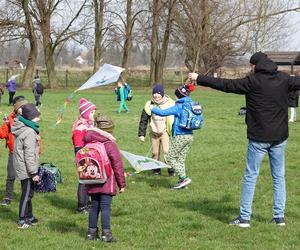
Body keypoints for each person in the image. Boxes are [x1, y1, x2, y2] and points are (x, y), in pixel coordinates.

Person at [188, 51, 300, 227]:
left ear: (255, 66)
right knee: (279, 177)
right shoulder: (284, 79)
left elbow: (225, 85)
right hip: (279, 137)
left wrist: (199, 78)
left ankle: (245, 218)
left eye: (251, 66)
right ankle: (279, 217)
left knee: (251, 176)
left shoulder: (252, 81)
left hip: (258, 139)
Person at [84, 114, 126, 242]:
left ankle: (91, 233)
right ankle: (106, 235)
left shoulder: (88, 141)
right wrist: (122, 184)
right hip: (106, 181)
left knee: (94, 206)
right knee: (105, 207)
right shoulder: (109, 144)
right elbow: (117, 165)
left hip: (91, 179)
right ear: (109, 130)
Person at [150, 84, 196, 189]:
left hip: (180, 136)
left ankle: (184, 177)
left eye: (176, 96)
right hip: (190, 136)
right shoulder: (191, 104)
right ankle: (183, 183)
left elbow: (163, 113)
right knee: (180, 160)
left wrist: (153, 108)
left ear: (178, 96)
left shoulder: (179, 106)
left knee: (170, 157)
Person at [11, 103, 41, 229]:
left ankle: (30, 216)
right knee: (26, 194)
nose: (39, 117)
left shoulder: (24, 127)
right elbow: (29, 155)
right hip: (26, 168)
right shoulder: (29, 131)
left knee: (29, 193)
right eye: (36, 116)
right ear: (30, 117)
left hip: (22, 165)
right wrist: (33, 173)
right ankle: (22, 219)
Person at [138, 84, 175, 176]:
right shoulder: (149, 105)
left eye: (158, 93)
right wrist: (141, 134)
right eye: (154, 93)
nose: (156, 95)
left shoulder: (169, 104)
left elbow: (175, 118)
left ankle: (171, 170)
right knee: (155, 153)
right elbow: (143, 120)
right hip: (154, 132)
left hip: (165, 132)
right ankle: (156, 170)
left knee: (166, 152)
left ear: (162, 94)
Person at [0, 96, 28, 206]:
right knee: (11, 175)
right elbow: (2, 135)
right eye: (21, 107)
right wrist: (5, 125)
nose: (23, 109)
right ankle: (8, 196)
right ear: (16, 108)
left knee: (25, 176)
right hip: (13, 152)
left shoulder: (29, 118)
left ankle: (26, 196)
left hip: (26, 153)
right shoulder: (9, 119)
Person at [72, 98, 97, 213]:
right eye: (92, 112)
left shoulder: (90, 125)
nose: (94, 114)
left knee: (91, 179)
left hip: (92, 156)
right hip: (83, 157)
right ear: (86, 113)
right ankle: (82, 205)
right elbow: (78, 147)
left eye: (94, 111)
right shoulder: (80, 128)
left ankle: (89, 203)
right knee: (83, 180)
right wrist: (83, 158)